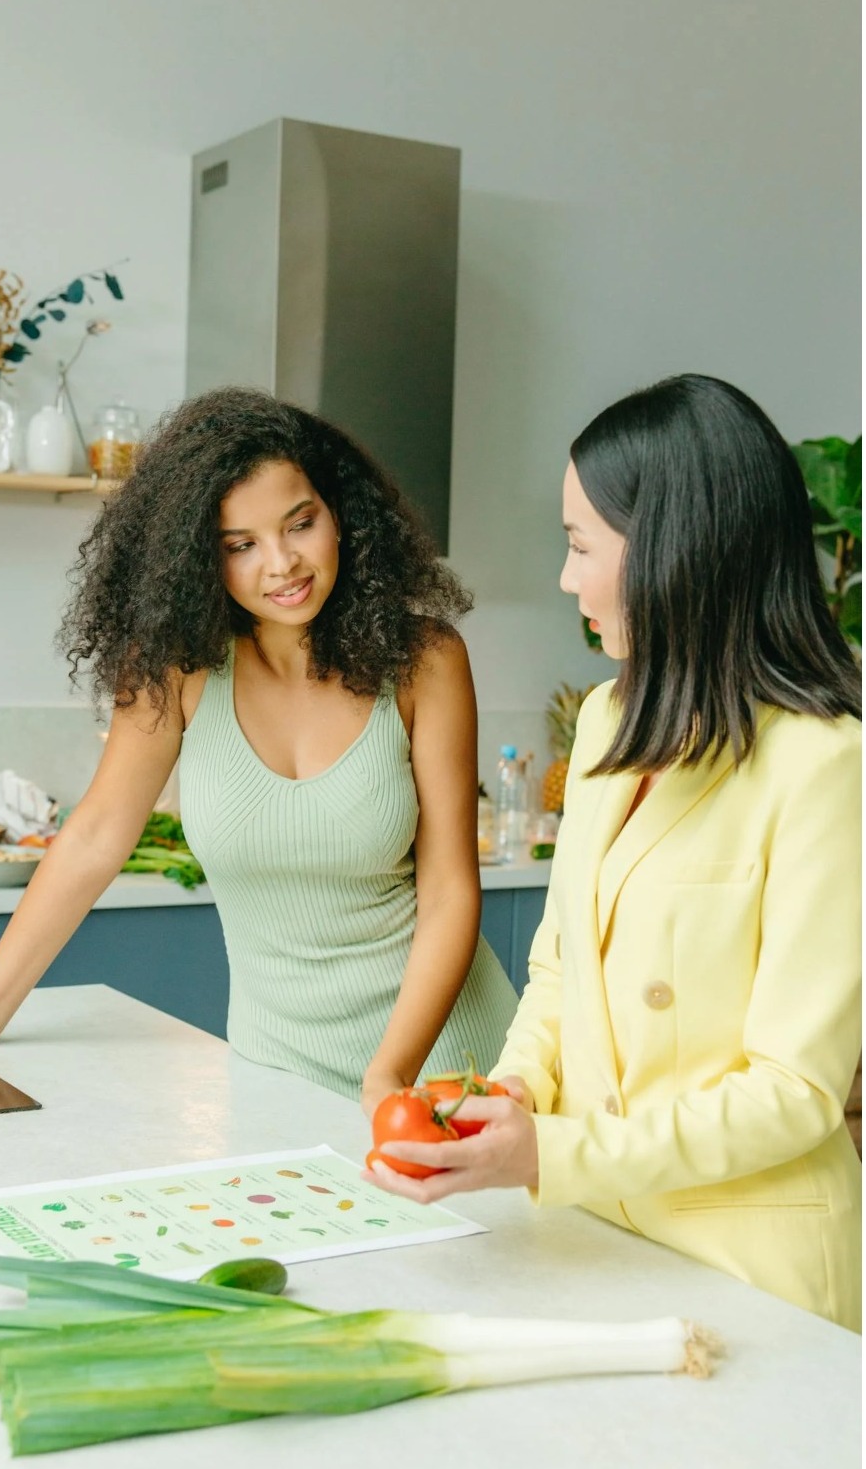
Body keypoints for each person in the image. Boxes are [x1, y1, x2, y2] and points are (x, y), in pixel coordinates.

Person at [365, 374, 862, 1332]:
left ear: (676, 553)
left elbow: (795, 1094)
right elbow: (560, 969)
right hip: (593, 1241)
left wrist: (552, 1153)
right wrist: (512, 1091)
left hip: (755, 1273)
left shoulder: (827, 762)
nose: (566, 578)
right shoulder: (603, 724)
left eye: (580, 545)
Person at [0, 388, 518, 1110]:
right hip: (273, 1077)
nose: (283, 563)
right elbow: (96, 836)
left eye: (301, 523)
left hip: (445, 1065)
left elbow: (450, 891)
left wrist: (389, 1077)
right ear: (199, 557)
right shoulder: (179, 667)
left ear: (341, 512)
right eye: (241, 545)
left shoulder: (425, 660)